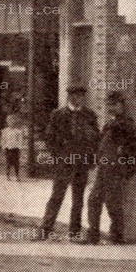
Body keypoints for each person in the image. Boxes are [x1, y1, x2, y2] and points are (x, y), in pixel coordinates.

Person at [36, 86, 100, 240]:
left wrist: (91, 158)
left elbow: (96, 139)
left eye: (82, 96)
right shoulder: (58, 114)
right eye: (76, 96)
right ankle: (45, 229)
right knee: (57, 196)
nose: (79, 99)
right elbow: (50, 138)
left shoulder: (89, 115)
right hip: (64, 162)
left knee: (78, 199)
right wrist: (58, 157)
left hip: (81, 162)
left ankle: (74, 232)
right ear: (70, 97)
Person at [85, 91, 136, 246]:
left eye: (114, 105)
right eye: (109, 105)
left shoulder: (126, 122)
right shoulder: (110, 123)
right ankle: (93, 235)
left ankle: (117, 235)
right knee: (94, 200)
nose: (111, 108)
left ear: (122, 106)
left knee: (112, 202)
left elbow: (135, 134)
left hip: (116, 168)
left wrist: (118, 124)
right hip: (104, 167)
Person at [1, 112, 27, 181]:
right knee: (8, 162)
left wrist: (20, 148)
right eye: (9, 121)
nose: (11, 123)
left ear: (15, 122)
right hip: (8, 148)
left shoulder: (18, 131)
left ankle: (17, 176)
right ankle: (7, 175)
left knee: (16, 162)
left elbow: (20, 140)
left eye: (13, 121)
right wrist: (3, 147)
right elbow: (3, 140)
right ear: (7, 122)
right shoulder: (5, 131)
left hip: (15, 148)